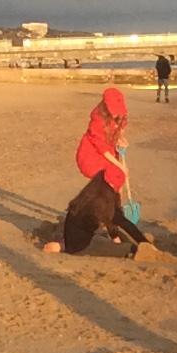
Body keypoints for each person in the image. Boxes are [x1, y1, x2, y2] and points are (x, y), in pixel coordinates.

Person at [50, 86, 145, 255]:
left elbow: (117, 136)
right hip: (91, 154)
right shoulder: (97, 121)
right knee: (110, 181)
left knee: (115, 181)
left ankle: (115, 213)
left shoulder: (120, 117)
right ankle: (113, 220)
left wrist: (121, 141)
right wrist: (120, 166)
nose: (116, 115)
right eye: (113, 112)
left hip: (108, 151)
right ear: (106, 109)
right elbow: (102, 148)